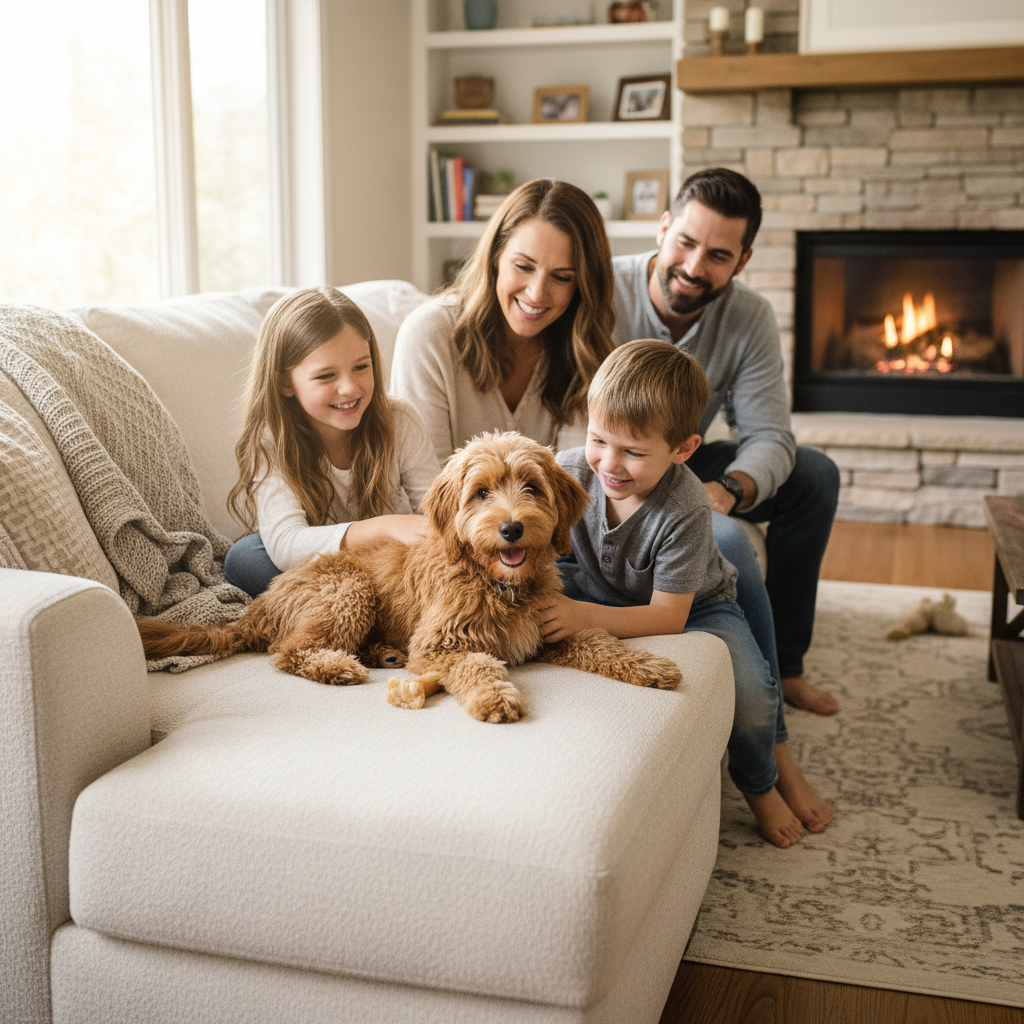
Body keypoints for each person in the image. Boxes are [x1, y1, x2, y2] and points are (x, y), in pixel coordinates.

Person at [539, 339, 833, 848]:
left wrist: (581, 615)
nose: (609, 464)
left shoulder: (685, 506)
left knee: (754, 698)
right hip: (604, 591)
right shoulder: (568, 473)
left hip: (696, 607)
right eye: (598, 439)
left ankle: (759, 783)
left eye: (633, 452)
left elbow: (667, 617)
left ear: (683, 450)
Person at [611, 166, 841, 716]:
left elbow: (769, 434)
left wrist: (728, 490)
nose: (694, 267)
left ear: (743, 260)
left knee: (815, 475)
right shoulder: (604, 288)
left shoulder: (749, 316)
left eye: (717, 255)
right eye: (685, 242)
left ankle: (787, 667)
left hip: (683, 458)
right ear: (663, 228)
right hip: (610, 464)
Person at [224, 287, 439, 598]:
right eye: (326, 376)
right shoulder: (271, 440)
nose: (349, 388)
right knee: (245, 558)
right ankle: (357, 599)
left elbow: (437, 511)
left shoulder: (400, 420)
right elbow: (286, 543)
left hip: (390, 564)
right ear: (285, 383)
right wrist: (386, 526)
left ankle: (365, 599)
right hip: (323, 564)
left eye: (361, 367)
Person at [390, 178, 616, 464]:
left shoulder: (587, 349)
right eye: (523, 266)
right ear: (495, 255)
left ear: (582, 285)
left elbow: (576, 476)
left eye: (561, 277)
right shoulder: (428, 335)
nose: (536, 293)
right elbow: (426, 480)